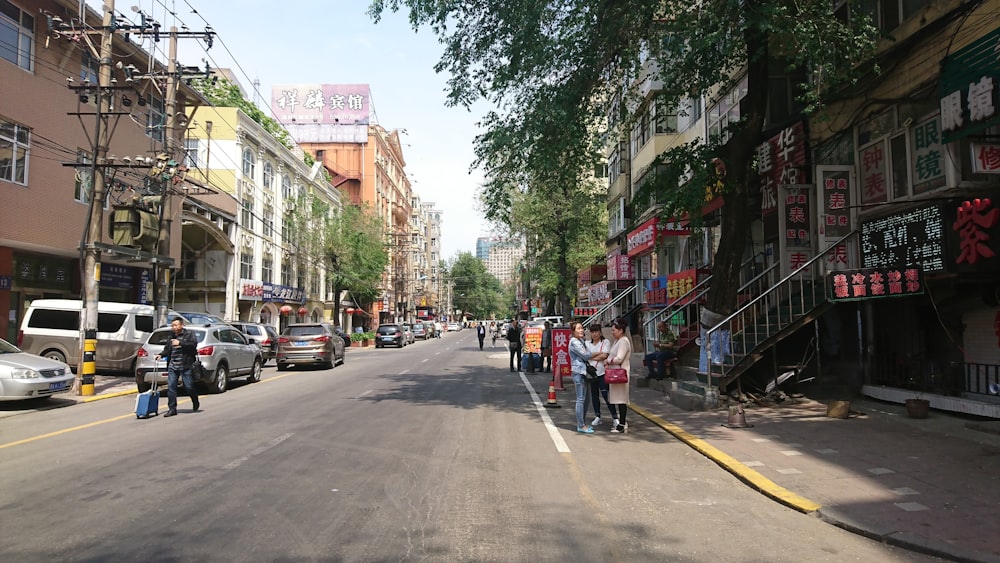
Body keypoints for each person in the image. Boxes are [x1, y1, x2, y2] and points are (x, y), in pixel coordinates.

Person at [158, 317, 199, 417]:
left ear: (182, 325)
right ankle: (172, 409)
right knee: (171, 387)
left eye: (176, 325)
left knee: (188, 386)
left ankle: (195, 400)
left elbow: (193, 346)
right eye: (173, 325)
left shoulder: (189, 334)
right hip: (173, 365)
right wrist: (161, 355)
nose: (174, 327)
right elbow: (167, 349)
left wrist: (180, 343)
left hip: (185, 365)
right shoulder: (171, 336)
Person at [585, 323, 616, 428]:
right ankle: (597, 416)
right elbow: (585, 356)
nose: (594, 334)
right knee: (594, 396)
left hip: (602, 373)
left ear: (600, 332)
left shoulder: (605, 342)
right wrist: (598, 354)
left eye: (596, 331)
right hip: (591, 374)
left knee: (606, 395)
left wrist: (590, 356)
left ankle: (615, 417)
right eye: (592, 332)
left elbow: (605, 355)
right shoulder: (587, 343)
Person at [606, 319, 633, 433]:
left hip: (620, 373)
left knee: (621, 399)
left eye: (614, 330)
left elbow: (619, 358)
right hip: (615, 373)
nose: (612, 332)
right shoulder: (617, 341)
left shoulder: (623, 341)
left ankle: (622, 424)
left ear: (621, 330)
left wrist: (608, 361)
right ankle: (622, 423)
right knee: (618, 399)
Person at [568, 321, 595, 433]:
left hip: (584, 372)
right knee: (580, 399)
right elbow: (586, 355)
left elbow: (588, 353)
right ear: (573, 331)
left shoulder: (581, 341)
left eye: (582, 328)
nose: (581, 330)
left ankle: (583, 423)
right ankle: (580, 425)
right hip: (579, 372)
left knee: (587, 399)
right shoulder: (574, 342)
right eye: (578, 328)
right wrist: (598, 354)